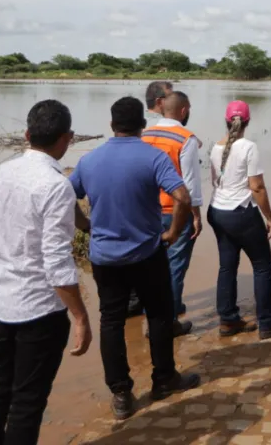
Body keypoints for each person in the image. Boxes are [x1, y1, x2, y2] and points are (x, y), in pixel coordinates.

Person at [69, 97, 199, 421]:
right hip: (147, 253)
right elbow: (182, 197)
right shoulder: (153, 157)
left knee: (111, 320)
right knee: (158, 314)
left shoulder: (89, 160)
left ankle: (121, 393)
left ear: (112, 126)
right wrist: (173, 234)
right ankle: (164, 379)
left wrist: (84, 225)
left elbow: (65, 195)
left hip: (105, 258)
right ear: (143, 125)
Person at [0, 100, 92, 445]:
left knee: (0, 385)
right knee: (28, 400)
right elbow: (56, 262)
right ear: (68, 139)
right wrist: (80, 316)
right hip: (39, 309)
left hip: (4, 302)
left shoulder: (1, 173)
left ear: (27, 135)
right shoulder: (56, 186)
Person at [207, 100, 271, 340]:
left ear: (226, 121)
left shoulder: (215, 148)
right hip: (241, 213)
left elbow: (216, 181)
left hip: (217, 212)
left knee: (227, 266)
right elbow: (257, 187)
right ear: (248, 122)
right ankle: (267, 321)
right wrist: (270, 218)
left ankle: (228, 319)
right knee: (262, 265)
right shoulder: (249, 147)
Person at [141, 90, 203, 328]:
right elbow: (189, 184)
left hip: (147, 212)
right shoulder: (185, 138)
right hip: (175, 212)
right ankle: (169, 321)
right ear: (184, 111)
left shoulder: (143, 134)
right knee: (175, 266)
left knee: (150, 266)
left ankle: (153, 313)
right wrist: (196, 216)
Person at [125, 80, 174, 318]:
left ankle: (138, 305)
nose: (173, 101)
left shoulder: (138, 125)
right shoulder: (158, 127)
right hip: (158, 204)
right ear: (159, 102)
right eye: (170, 97)